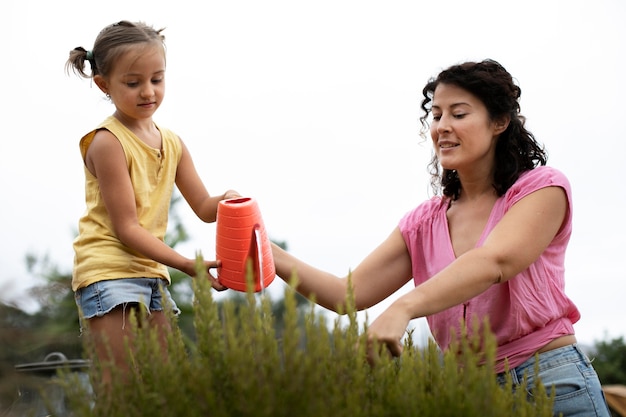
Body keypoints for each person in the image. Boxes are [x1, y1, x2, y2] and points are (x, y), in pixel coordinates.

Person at [271, 59, 611, 416]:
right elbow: (347, 294)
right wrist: (266, 250)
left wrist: (404, 307)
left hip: (550, 385)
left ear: (500, 122)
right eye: (436, 115)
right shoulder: (423, 223)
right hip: (470, 397)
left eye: (459, 114)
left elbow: (494, 262)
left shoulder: (540, 189)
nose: (442, 127)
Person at [65, 20, 239, 387]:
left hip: (150, 273)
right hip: (108, 272)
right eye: (133, 83)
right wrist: (187, 265)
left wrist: (227, 201)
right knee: (122, 390)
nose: (148, 92)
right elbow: (127, 229)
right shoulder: (107, 142)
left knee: (167, 386)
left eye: (156, 79)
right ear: (104, 84)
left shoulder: (172, 142)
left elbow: (205, 208)